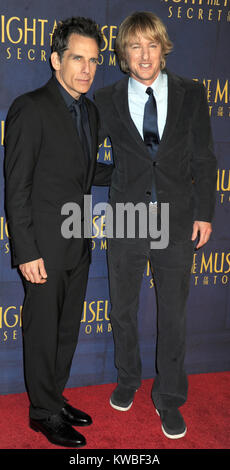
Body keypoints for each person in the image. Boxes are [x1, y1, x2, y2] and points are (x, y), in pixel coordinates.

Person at [94, 11, 217, 439]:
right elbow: (87, 155)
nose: (144, 55)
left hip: (178, 219)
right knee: (123, 310)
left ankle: (169, 399)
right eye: (134, 46)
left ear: (163, 47)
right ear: (123, 54)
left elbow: (204, 157)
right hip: (127, 218)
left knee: (174, 316)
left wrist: (204, 212)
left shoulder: (192, 93)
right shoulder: (106, 99)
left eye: (151, 45)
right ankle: (128, 380)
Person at [4, 17, 112, 448]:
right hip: (43, 247)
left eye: (93, 61)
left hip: (78, 240)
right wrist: (26, 250)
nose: (86, 69)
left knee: (67, 330)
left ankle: (56, 397)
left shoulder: (90, 110)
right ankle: (42, 413)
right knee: (43, 329)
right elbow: (18, 186)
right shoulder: (30, 108)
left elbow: (84, 171)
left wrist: (138, 171)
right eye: (77, 59)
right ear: (55, 60)